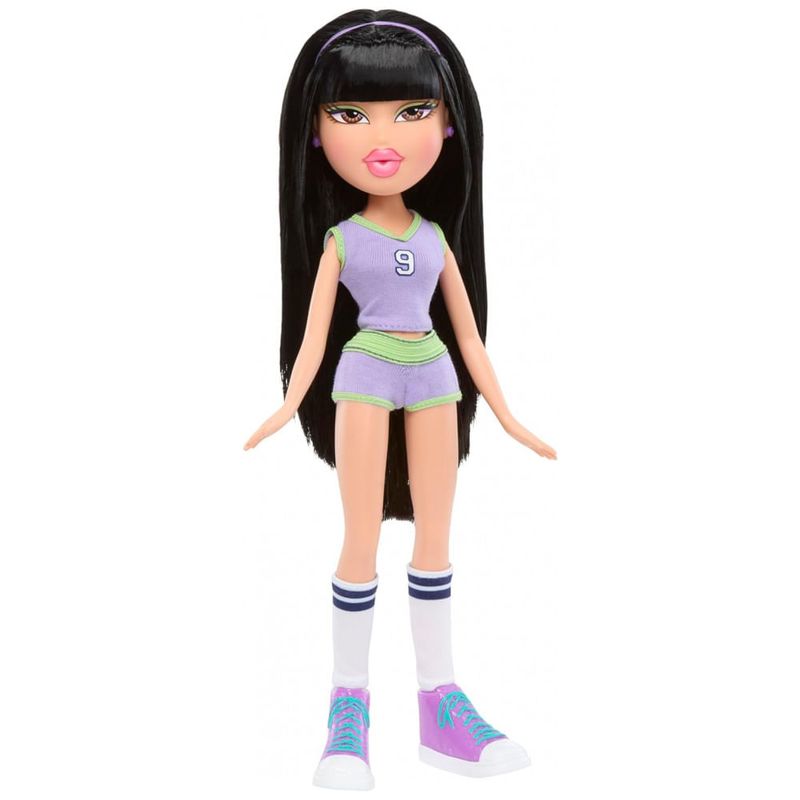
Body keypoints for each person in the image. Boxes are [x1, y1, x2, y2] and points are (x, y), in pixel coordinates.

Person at [244, 10, 557, 790]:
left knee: (436, 539)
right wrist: (288, 403)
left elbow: (469, 337)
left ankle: (439, 703)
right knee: (359, 539)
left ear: (448, 124)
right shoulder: (341, 240)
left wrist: (508, 414)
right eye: (350, 114)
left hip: (435, 376)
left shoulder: (437, 238)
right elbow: (314, 336)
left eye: (412, 111)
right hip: (364, 375)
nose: (382, 136)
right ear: (315, 134)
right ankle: (347, 709)